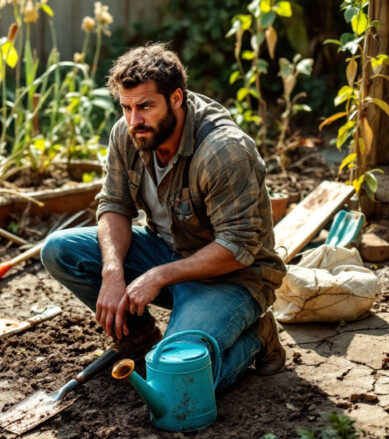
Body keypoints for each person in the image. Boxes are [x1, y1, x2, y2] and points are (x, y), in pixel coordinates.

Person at [41, 43, 287, 390]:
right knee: (58, 250)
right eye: (126, 107)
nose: (133, 120)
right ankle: (140, 338)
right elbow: (114, 205)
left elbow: (237, 247)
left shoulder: (223, 151)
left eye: (144, 106)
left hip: (232, 277)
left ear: (176, 99)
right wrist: (112, 273)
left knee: (176, 387)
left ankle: (256, 337)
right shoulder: (127, 134)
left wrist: (157, 276)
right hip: (168, 257)